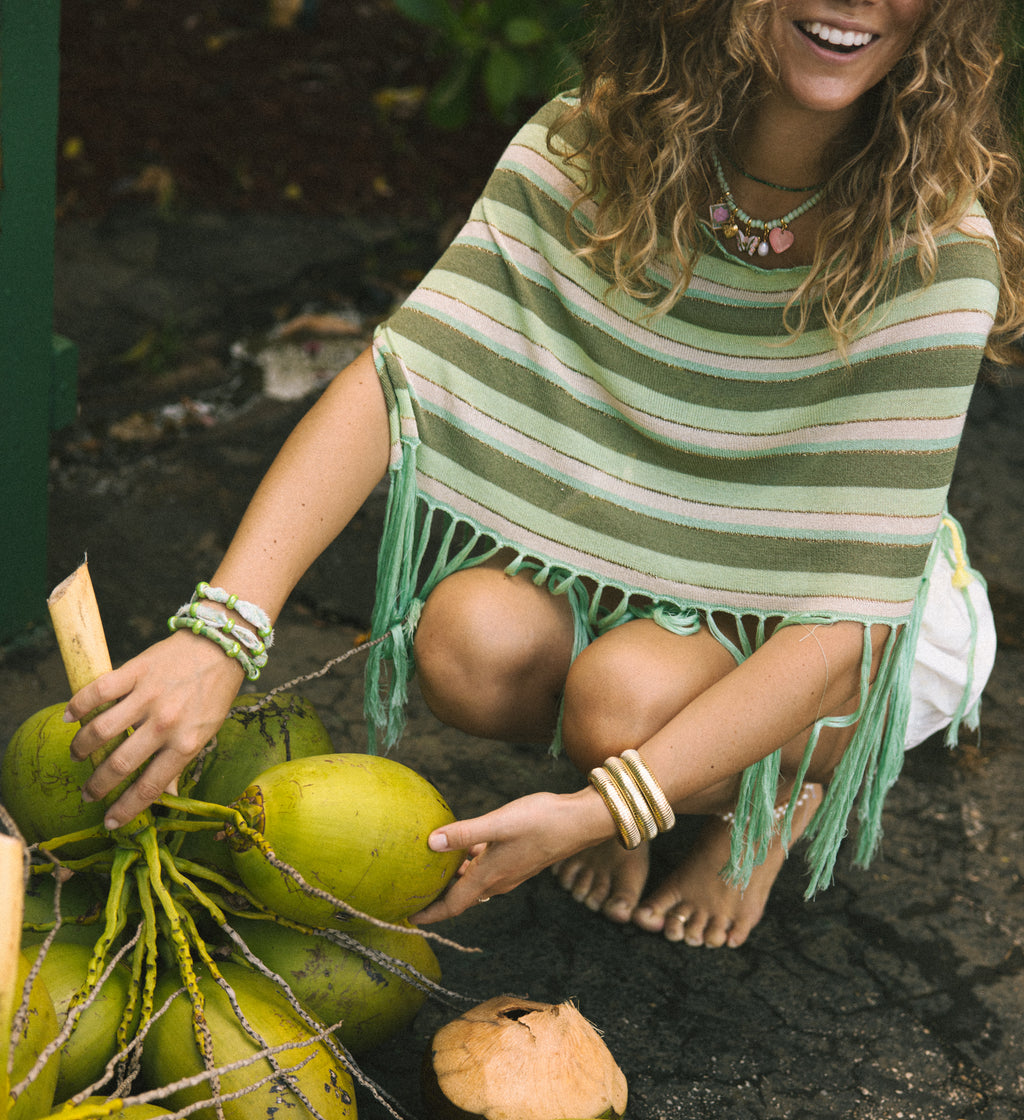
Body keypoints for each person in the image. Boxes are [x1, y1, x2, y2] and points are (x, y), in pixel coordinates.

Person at [67, 0, 1024, 948]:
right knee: (469, 644)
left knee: (622, 706)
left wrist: (599, 812)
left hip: (825, 612)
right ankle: (639, 767)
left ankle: (769, 800)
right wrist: (221, 633)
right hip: (624, 548)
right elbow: (404, 378)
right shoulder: (604, 140)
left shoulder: (938, 245)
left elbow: (848, 620)